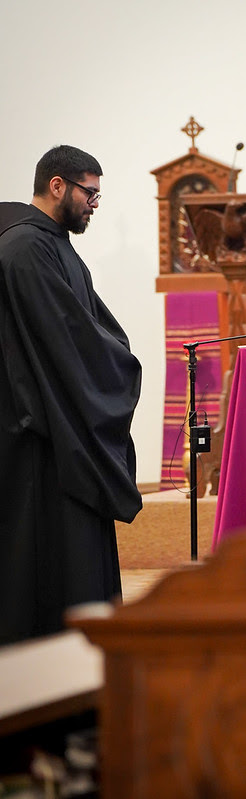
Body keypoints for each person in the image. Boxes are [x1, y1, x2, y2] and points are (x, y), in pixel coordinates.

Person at [0, 145, 142, 646]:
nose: (94, 204)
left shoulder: (52, 245)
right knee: (49, 569)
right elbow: (64, 344)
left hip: (60, 429)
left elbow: (86, 331)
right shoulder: (25, 248)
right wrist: (118, 366)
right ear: (57, 185)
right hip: (40, 441)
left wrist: (115, 355)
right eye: (90, 193)